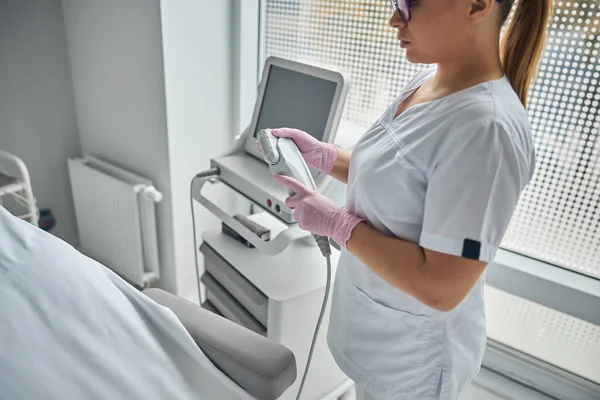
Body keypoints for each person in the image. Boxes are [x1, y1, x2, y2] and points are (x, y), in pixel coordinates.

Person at [267, 0, 552, 399]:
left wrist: (336, 223)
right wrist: (327, 157)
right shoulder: (428, 81)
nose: (393, 19)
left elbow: (442, 287)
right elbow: (401, 177)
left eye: (410, 3)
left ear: (478, 5)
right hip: (377, 332)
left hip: (413, 363)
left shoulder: (487, 131)